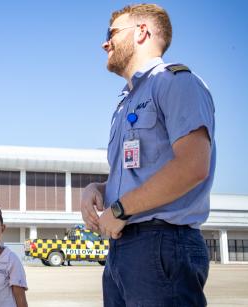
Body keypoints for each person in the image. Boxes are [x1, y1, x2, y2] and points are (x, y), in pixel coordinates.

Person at [81, 4, 215, 306]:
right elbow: (140, 172)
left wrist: (120, 209)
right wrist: (98, 190)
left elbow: (193, 166)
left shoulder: (175, 82)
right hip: (123, 247)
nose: (105, 43)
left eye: (112, 33)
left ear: (142, 31)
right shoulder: (126, 103)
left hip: (161, 244)